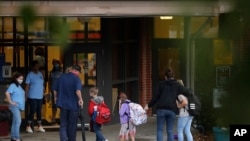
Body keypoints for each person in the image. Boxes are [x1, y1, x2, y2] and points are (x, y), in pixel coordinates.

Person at [144, 69, 189, 141]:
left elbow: (155, 97)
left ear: (165, 77)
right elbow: (187, 91)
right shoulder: (177, 85)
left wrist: (148, 106)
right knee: (170, 131)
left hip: (161, 110)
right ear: (173, 76)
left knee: (159, 130)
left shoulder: (161, 84)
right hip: (172, 110)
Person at [53, 64, 84, 141]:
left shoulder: (62, 77)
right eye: (79, 72)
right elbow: (77, 91)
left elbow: (54, 89)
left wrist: (55, 98)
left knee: (63, 124)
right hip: (73, 106)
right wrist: (81, 99)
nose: (79, 74)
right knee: (72, 125)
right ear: (77, 71)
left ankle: (64, 139)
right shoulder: (76, 79)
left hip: (63, 105)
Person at [25, 60, 45, 133]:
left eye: (38, 65)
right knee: (33, 110)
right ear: (33, 66)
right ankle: (28, 126)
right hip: (32, 96)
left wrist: (43, 92)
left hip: (40, 96)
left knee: (39, 111)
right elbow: (27, 86)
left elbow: (42, 84)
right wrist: (26, 95)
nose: (37, 67)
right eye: (36, 65)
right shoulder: (29, 74)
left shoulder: (40, 74)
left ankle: (39, 125)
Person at [5, 72, 25, 141]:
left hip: (19, 107)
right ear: (16, 78)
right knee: (18, 121)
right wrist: (10, 101)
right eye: (20, 78)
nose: (21, 80)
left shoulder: (19, 86)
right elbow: (7, 93)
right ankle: (17, 138)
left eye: (22, 79)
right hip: (15, 106)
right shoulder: (13, 85)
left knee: (15, 121)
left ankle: (13, 137)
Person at [49, 59, 63, 124]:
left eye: (57, 63)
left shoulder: (62, 73)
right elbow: (49, 82)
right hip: (53, 90)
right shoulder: (51, 73)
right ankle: (53, 119)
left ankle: (61, 118)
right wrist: (49, 90)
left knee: (61, 105)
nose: (56, 65)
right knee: (54, 105)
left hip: (60, 91)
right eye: (54, 64)